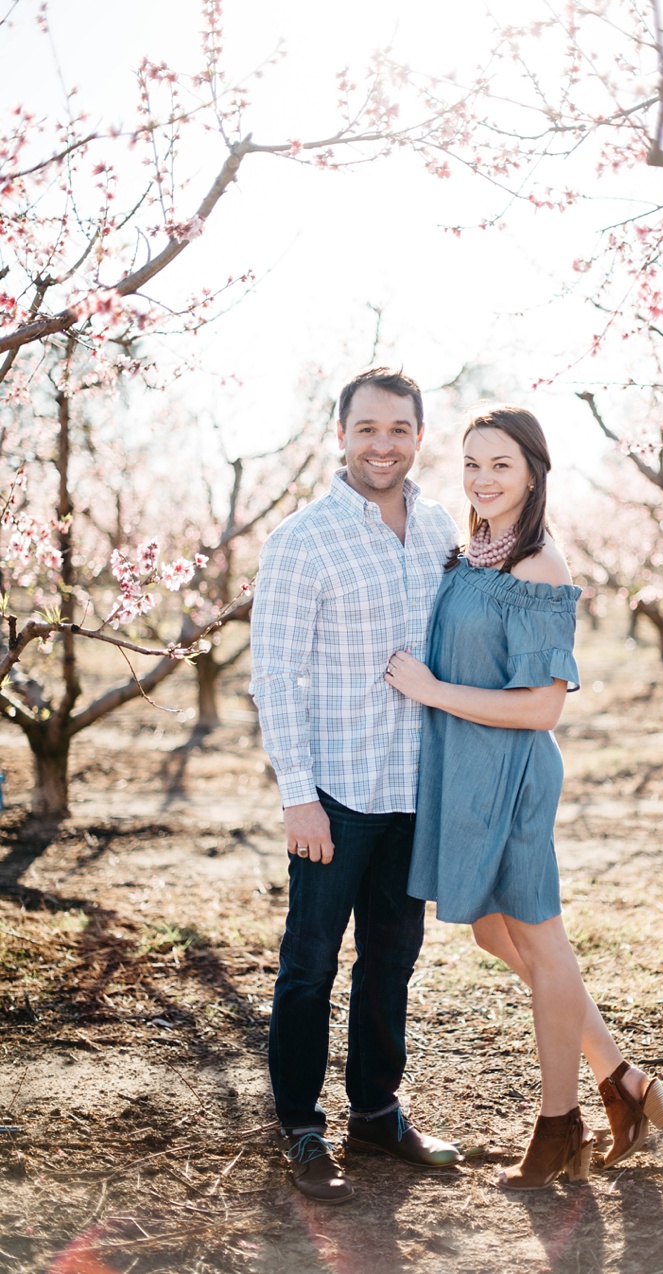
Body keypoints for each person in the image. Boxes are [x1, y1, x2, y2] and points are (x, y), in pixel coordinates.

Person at [383, 405, 663, 1189]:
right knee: (492, 932)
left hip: (511, 774)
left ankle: (559, 1128)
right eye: (472, 464)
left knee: (543, 945)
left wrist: (434, 691)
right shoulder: (474, 555)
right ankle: (624, 1081)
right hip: (466, 771)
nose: (482, 479)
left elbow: (544, 707)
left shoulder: (539, 570)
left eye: (501, 465)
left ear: (534, 474)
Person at [250, 367, 465, 1204]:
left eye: (399, 429)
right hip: (335, 792)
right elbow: (275, 675)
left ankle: (376, 1109)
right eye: (368, 428)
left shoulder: (442, 524)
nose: (384, 444)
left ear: (419, 435)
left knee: (392, 960)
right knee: (309, 964)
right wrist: (296, 793)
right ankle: (302, 1125)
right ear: (340, 433)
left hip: (413, 789)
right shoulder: (300, 540)